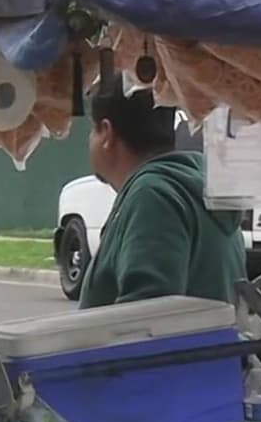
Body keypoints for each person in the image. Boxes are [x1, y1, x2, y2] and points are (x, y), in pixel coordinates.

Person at [77, 80, 246, 309]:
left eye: (92, 129)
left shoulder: (153, 196)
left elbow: (146, 317)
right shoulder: (191, 187)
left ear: (106, 133)